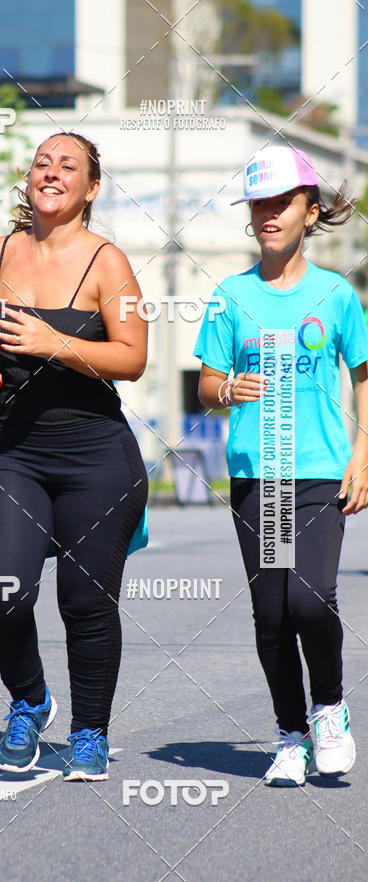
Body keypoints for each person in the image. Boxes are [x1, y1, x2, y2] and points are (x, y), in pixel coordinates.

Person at [0, 132, 148, 781]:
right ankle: (30, 699)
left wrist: (51, 342)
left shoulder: (107, 263)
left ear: (90, 188)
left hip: (97, 454)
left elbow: (131, 357)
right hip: (15, 451)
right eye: (43, 162)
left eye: (68, 165)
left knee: (85, 600)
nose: (52, 172)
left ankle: (90, 732)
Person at [194, 145, 368, 787]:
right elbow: (206, 386)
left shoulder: (336, 294)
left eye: (281, 202)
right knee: (272, 612)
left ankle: (329, 707)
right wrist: (227, 389)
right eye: (258, 204)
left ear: (310, 211)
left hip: (321, 469)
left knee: (311, 598)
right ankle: (289, 735)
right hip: (255, 475)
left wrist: (364, 454)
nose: (267, 214)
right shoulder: (230, 296)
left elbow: (363, 373)